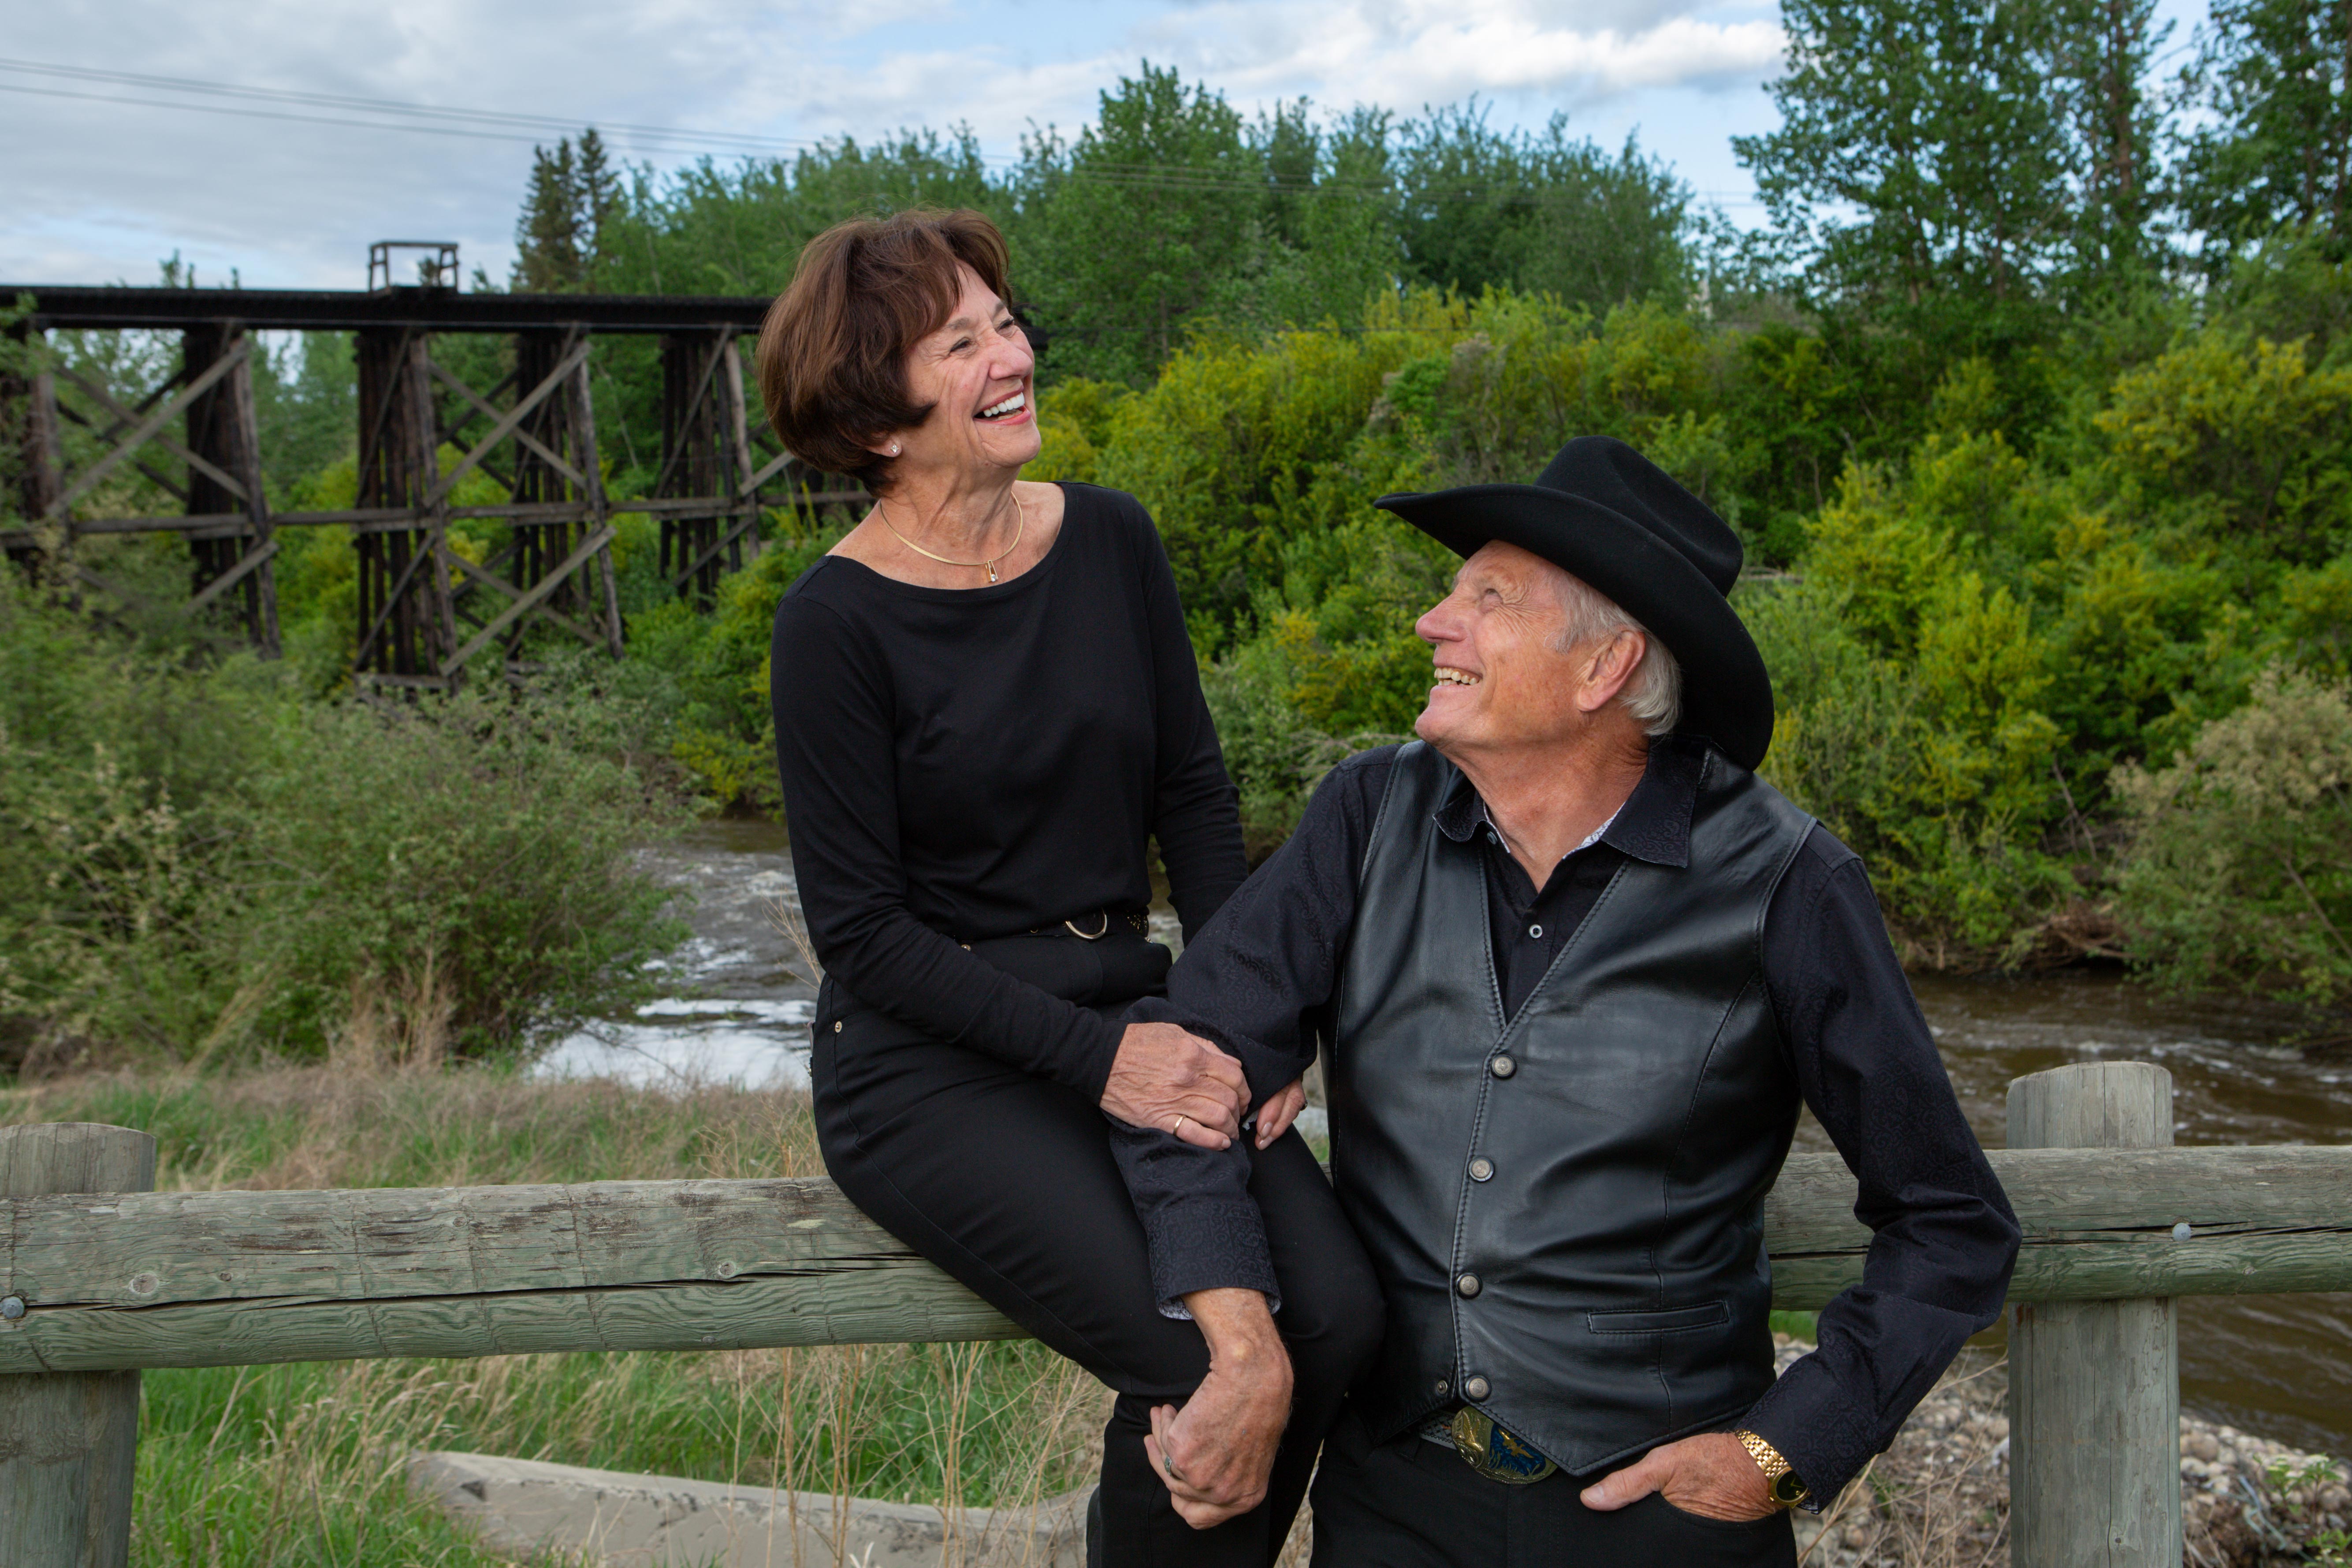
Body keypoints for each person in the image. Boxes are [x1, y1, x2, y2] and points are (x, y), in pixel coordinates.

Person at [1114, 437, 2022, 1565]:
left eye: (1488, 598)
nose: (1432, 623)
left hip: (1663, 1523)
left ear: (1605, 668)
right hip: (1392, 1507)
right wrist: (1245, 1344)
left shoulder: (1786, 881)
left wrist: (1781, 1452)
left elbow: (1949, 1219)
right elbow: (1178, 1065)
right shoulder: (1365, 815)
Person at [758, 208, 1381, 1567]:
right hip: (934, 1065)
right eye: (959, 343)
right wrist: (1108, 1062)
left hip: (1137, 1011)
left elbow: (1193, 793)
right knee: (1197, 1346)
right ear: (871, 417)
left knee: (1340, 1311)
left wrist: (1251, 1012)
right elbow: (861, 934)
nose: (1012, 355)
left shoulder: (1110, 539)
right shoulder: (833, 623)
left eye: (1007, 322)